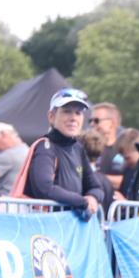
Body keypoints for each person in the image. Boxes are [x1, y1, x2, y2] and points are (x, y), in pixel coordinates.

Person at [23, 88, 103, 216]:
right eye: (67, 112)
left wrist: (92, 198)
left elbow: (96, 187)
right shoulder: (45, 147)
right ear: (51, 116)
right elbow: (44, 188)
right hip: (46, 228)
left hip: (70, 228)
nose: (73, 118)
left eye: (78, 113)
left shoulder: (78, 148)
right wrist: (82, 202)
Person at [89, 102, 125, 192]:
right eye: (90, 121)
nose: (92, 124)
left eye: (96, 120)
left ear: (112, 123)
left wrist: (98, 177)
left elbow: (128, 181)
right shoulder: (86, 148)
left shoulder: (125, 149)